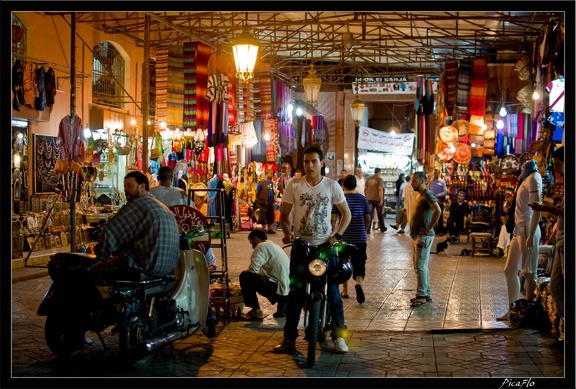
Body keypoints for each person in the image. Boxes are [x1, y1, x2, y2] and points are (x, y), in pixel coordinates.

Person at [274, 145, 352, 354]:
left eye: (314, 161)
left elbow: (347, 214)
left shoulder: (332, 186)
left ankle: (338, 337)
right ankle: (289, 338)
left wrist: (336, 235)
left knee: (333, 292)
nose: (309, 165)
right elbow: (284, 216)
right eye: (306, 162)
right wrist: (287, 232)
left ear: (321, 163)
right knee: (296, 292)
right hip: (301, 246)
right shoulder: (295, 185)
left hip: (325, 248)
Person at [91, 171, 180, 285]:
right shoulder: (159, 205)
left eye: (129, 186)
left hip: (146, 266)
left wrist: (99, 258)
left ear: (142, 186)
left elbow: (111, 232)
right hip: (167, 269)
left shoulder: (139, 204)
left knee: (95, 270)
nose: (126, 190)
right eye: (125, 186)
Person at [497, 159, 542, 321]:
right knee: (510, 269)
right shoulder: (524, 179)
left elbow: (537, 208)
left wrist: (530, 234)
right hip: (518, 227)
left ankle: (529, 313)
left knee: (529, 272)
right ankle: (513, 308)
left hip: (528, 227)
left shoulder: (535, 178)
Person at [150, 166, 217, 271]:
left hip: (157, 232)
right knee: (203, 233)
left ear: (158, 178)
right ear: (172, 179)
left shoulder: (151, 193)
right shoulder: (180, 193)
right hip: (180, 232)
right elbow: (193, 211)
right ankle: (211, 263)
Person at [529, 146, 564, 348]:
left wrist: (544, 208)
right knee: (556, 286)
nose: (557, 169)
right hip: (561, 242)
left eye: (559, 165)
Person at [331, 174, 370, 303]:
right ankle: (358, 282)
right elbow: (367, 218)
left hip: (343, 237)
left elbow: (333, 218)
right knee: (359, 263)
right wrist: (364, 230)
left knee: (342, 264)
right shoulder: (362, 198)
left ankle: (345, 291)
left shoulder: (340, 199)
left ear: (343, 185)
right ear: (355, 185)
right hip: (359, 237)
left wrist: (333, 232)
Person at [238, 229, 290, 320]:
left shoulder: (261, 246)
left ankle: (256, 311)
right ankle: (283, 305)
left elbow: (253, 269)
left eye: (251, 243)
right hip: (287, 290)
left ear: (255, 238)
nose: (252, 247)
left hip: (279, 289)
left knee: (245, 276)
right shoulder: (274, 245)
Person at [408, 171, 442, 306]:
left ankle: (421, 295)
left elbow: (437, 210)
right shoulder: (420, 194)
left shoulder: (427, 194)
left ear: (422, 181)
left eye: (414, 181)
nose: (412, 183)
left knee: (420, 266)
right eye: (411, 180)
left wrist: (428, 228)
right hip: (418, 235)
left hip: (423, 236)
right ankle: (426, 293)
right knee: (421, 266)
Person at [364, 167, 387, 233]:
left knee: (370, 214)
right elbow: (380, 189)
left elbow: (365, 189)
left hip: (369, 199)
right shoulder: (379, 179)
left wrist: (366, 196)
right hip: (377, 199)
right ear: (379, 172)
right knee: (380, 213)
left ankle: (367, 229)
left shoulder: (369, 179)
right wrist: (381, 199)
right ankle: (382, 228)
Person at [255, 168, 276, 234]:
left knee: (270, 215)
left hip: (270, 202)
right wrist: (260, 199)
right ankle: (263, 229)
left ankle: (269, 229)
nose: (272, 175)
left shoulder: (271, 183)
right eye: (270, 173)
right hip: (263, 202)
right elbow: (257, 192)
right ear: (267, 174)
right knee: (263, 215)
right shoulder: (261, 183)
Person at [428, 168, 448, 235]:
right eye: (435, 173)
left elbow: (445, 191)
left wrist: (438, 195)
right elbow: (429, 189)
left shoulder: (442, 181)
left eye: (437, 173)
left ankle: (440, 231)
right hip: (431, 199)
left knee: (439, 214)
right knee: (430, 214)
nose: (436, 174)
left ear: (439, 174)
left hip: (439, 199)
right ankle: (430, 229)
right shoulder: (431, 181)